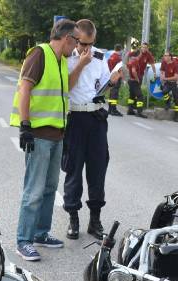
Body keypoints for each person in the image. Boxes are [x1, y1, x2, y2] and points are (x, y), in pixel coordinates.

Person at [9, 19, 80, 261]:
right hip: (38, 135)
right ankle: (23, 241)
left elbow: (63, 93)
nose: (77, 47)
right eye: (77, 42)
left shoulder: (61, 61)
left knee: (50, 189)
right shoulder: (40, 54)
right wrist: (25, 125)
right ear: (68, 38)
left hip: (57, 134)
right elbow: (25, 90)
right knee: (34, 191)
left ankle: (40, 233)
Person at [63, 19, 121, 240]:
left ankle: (95, 220)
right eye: (83, 44)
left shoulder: (99, 56)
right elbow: (67, 86)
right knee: (73, 169)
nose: (87, 48)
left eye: (90, 43)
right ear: (76, 38)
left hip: (96, 118)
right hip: (76, 118)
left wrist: (113, 80)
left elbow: (102, 85)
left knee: (97, 169)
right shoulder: (68, 56)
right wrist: (80, 64)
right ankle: (73, 218)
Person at [126, 41, 156, 118]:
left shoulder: (148, 54)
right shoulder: (135, 55)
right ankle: (139, 112)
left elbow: (152, 63)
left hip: (139, 75)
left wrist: (155, 73)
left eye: (145, 47)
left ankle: (130, 110)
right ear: (140, 47)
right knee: (140, 95)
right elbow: (127, 56)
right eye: (142, 47)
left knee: (132, 94)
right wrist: (127, 64)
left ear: (147, 48)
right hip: (134, 76)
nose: (144, 49)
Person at [159, 50, 178, 122]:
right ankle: (168, 102)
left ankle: (177, 116)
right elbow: (162, 71)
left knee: (177, 100)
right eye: (164, 55)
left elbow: (176, 77)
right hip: (167, 83)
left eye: (166, 56)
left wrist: (165, 78)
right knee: (164, 91)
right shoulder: (164, 63)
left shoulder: (175, 64)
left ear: (170, 57)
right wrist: (162, 77)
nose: (164, 57)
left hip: (174, 83)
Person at [106, 44, 123, 116]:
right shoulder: (118, 58)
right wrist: (121, 77)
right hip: (116, 77)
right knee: (114, 94)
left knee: (111, 93)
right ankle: (113, 109)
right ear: (120, 49)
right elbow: (120, 69)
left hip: (110, 77)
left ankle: (110, 109)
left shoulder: (111, 57)